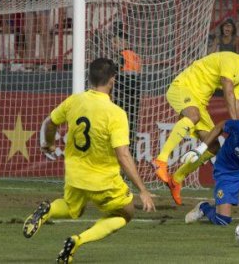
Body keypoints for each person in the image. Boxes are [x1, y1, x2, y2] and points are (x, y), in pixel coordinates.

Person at [22, 58, 155, 263]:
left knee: (72, 209)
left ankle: (48, 210)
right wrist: (142, 190)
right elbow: (123, 155)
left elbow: (50, 122)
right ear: (113, 80)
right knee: (126, 213)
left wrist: (48, 143)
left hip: (75, 175)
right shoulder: (116, 113)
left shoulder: (75, 101)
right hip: (103, 180)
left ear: (90, 77)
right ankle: (77, 240)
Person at [152, 42, 239, 205]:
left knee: (213, 146)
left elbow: (235, 103)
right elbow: (227, 90)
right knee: (193, 116)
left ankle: (176, 178)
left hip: (199, 103)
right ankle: (161, 160)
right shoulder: (231, 59)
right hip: (183, 88)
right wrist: (235, 126)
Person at [112, 23, 142, 156]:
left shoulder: (122, 55)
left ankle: (121, 156)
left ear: (122, 41)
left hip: (123, 92)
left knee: (120, 127)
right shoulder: (135, 55)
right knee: (131, 126)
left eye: (115, 41)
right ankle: (132, 155)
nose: (113, 44)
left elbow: (115, 73)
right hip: (135, 94)